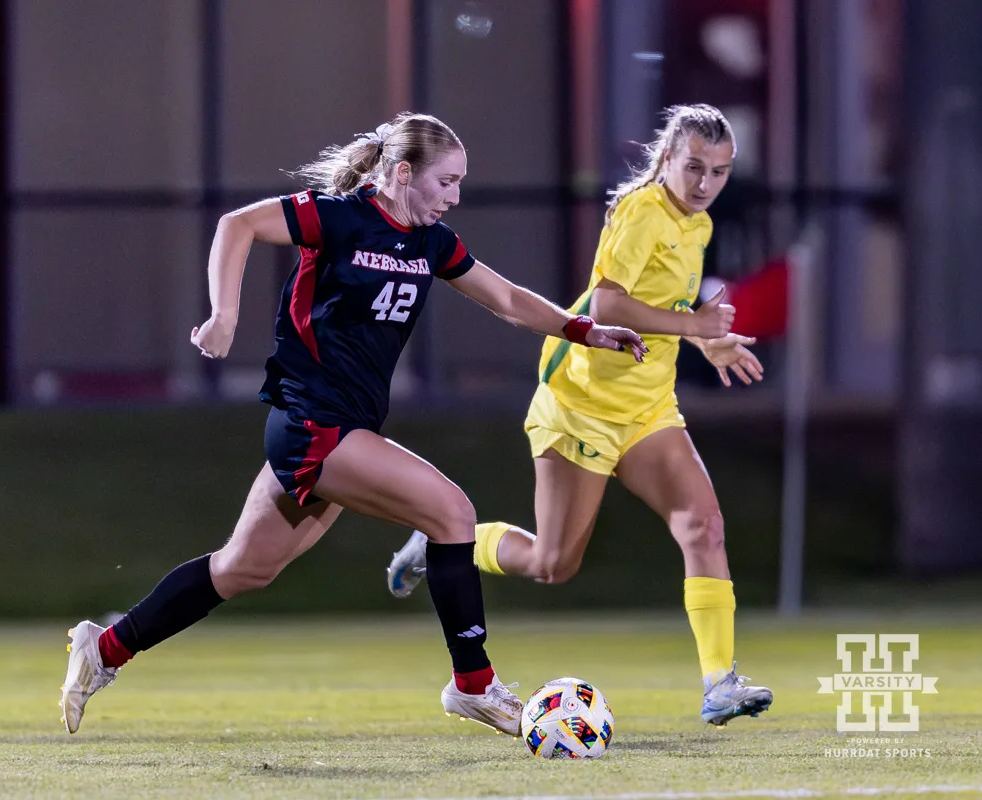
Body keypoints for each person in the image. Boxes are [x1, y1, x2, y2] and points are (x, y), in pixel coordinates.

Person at [60, 112, 647, 736]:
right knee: (453, 514)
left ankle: (104, 648)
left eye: (460, 182)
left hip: (342, 428)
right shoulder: (338, 216)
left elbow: (506, 299)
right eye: (446, 182)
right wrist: (224, 313)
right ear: (401, 173)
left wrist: (585, 330)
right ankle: (473, 684)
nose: (455, 196)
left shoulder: (432, 242)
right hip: (312, 423)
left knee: (242, 569)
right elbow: (237, 226)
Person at [385, 104, 774, 727]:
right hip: (580, 407)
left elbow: (663, 303)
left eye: (720, 172)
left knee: (703, 525)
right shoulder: (643, 211)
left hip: (647, 406)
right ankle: (445, 547)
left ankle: (719, 683)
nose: (705, 184)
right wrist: (695, 324)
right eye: (694, 167)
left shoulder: (696, 225)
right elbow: (610, 302)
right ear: (667, 159)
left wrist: (705, 339)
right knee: (552, 565)